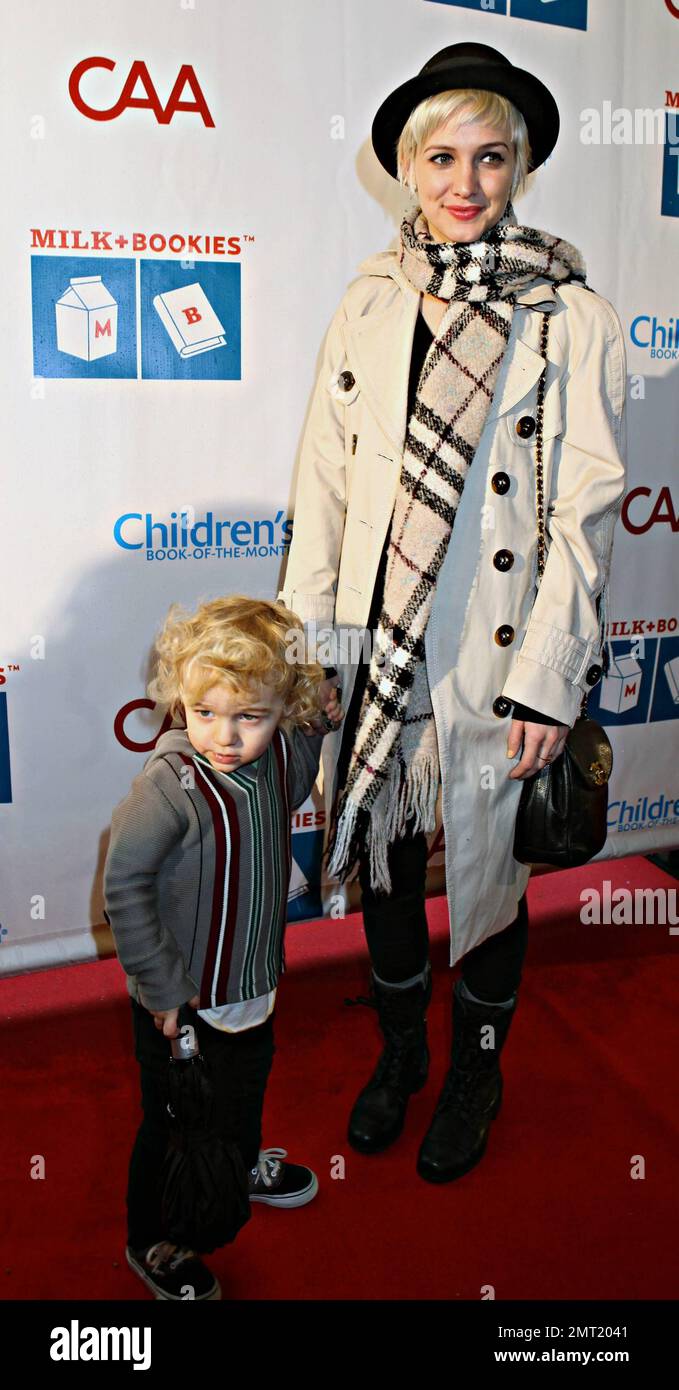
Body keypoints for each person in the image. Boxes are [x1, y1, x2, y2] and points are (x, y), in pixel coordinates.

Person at [277, 43, 627, 1184]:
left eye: (489, 157)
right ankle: (398, 1054)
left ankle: (475, 1067)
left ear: (518, 168)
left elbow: (584, 507)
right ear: (407, 169)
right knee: (382, 858)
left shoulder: (571, 314)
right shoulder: (370, 301)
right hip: (377, 645)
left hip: (494, 654)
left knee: (489, 875)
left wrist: (551, 677)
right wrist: (309, 646)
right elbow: (322, 484)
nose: (464, 182)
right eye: (442, 157)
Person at [103, 595, 344, 1299]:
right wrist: (162, 990)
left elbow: (301, 754)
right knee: (174, 1128)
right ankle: (153, 1239)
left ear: (280, 708)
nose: (226, 736)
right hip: (182, 1008)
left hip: (254, 989)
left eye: (250, 717)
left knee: (242, 1094)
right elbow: (125, 886)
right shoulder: (167, 789)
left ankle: (236, 1166)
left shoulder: (274, 761)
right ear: (182, 699)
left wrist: (319, 715)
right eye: (205, 713)